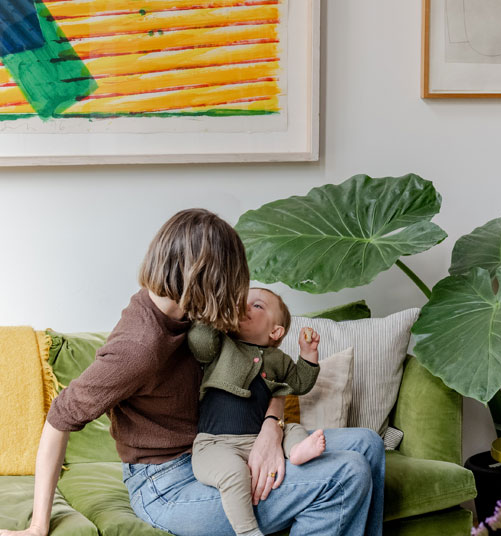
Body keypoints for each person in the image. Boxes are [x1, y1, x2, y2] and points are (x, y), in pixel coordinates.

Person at [0, 209, 385, 536]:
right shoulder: (140, 347)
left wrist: (273, 427)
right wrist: (37, 527)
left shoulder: (191, 312)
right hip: (169, 482)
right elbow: (59, 417)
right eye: (231, 281)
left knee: (368, 444)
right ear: (203, 278)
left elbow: (264, 368)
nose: (237, 294)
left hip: (230, 441)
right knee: (345, 474)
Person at [189, 287, 328, 536]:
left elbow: (299, 383)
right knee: (233, 472)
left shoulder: (280, 359)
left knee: (293, 428)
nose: (243, 306)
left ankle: (296, 451)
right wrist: (215, 312)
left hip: (259, 444)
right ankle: (248, 532)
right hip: (214, 445)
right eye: (241, 301)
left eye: (257, 305)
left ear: (275, 332)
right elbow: (199, 344)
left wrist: (308, 355)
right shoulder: (221, 345)